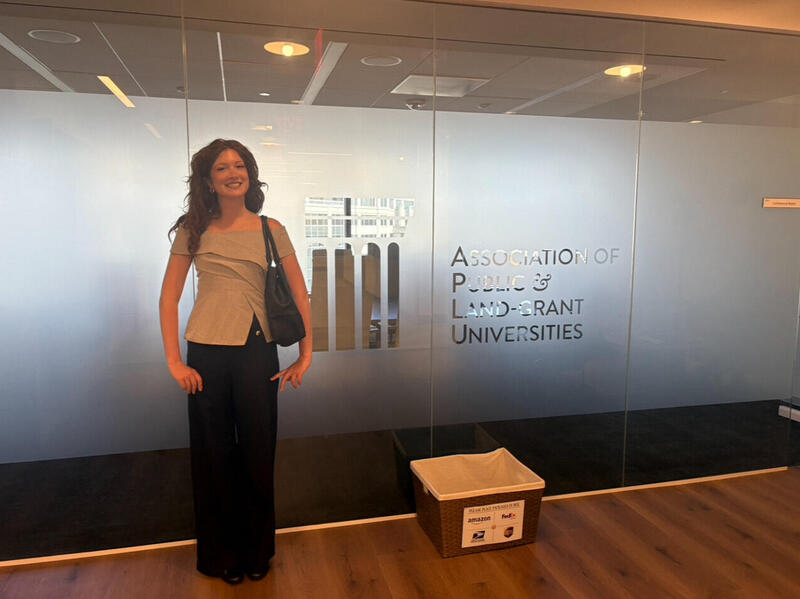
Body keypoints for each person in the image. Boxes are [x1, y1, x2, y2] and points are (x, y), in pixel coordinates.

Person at [159, 139, 312, 585]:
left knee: (258, 454)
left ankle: (257, 552)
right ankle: (220, 555)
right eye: (222, 167)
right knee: (213, 457)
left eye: (239, 165)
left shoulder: (270, 228)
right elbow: (168, 299)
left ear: (251, 174)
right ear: (207, 180)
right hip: (205, 354)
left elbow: (300, 293)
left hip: (257, 352)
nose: (232, 172)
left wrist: (306, 354)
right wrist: (174, 362)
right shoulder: (193, 230)